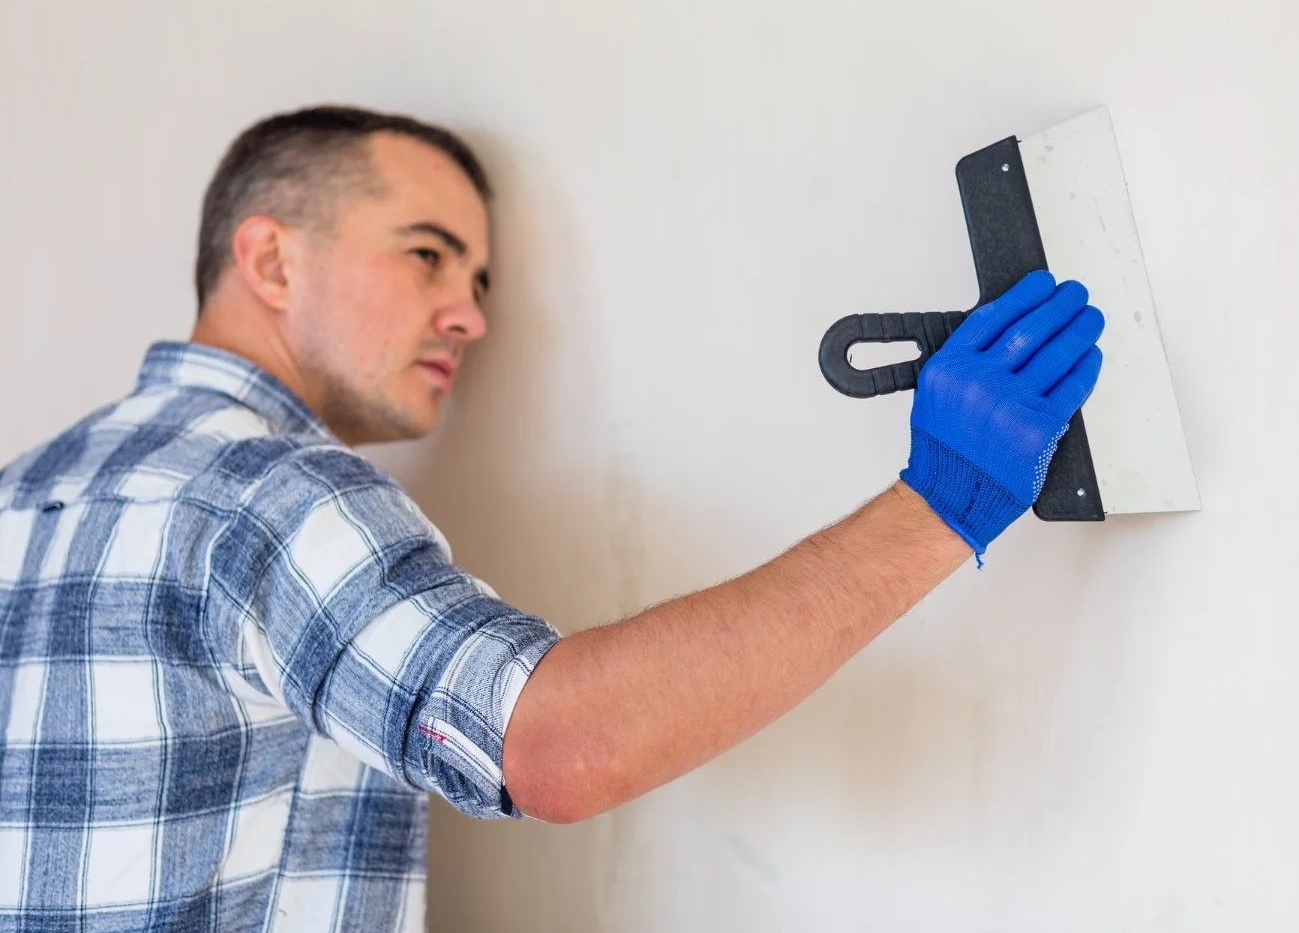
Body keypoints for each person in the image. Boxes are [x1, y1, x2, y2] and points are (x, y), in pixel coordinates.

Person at [0, 105, 1104, 931]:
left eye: (478, 276)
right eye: (427, 253)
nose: (471, 315)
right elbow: (555, 746)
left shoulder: (20, 494)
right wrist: (937, 505)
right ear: (271, 256)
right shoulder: (266, 497)